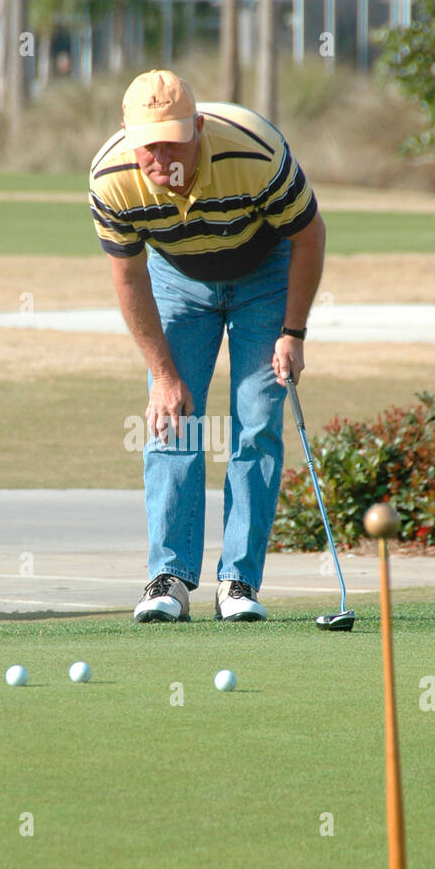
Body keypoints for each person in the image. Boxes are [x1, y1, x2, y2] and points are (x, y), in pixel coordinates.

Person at [88, 69, 325, 623]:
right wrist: (164, 375)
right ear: (126, 134)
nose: (161, 156)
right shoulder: (111, 178)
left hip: (264, 275)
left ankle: (238, 583)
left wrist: (293, 333)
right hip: (176, 281)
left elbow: (309, 236)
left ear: (198, 126)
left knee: (257, 421)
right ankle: (167, 579)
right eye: (149, 144)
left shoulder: (255, 151)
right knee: (172, 418)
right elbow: (128, 278)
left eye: (174, 138)